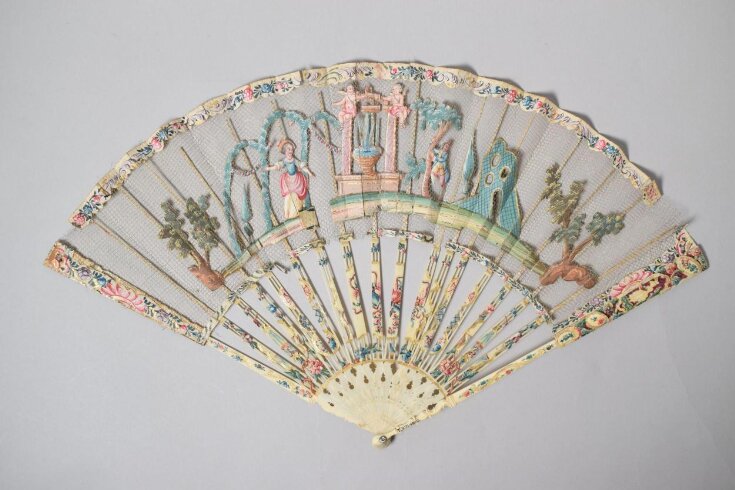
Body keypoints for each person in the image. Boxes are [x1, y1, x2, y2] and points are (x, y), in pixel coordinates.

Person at [265, 139, 314, 219]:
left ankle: (296, 212)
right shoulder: (284, 161)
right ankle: (288, 214)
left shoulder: (294, 160)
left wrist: (309, 172)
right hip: (288, 180)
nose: (291, 151)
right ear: (284, 151)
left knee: (297, 196)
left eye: (292, 149)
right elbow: (277, 166)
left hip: (297, 180)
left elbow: (302, 166)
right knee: (289, 197)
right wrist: (269, 168)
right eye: (289, 149)